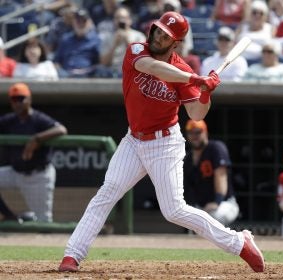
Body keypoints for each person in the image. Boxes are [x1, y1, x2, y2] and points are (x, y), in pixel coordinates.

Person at [58, 11, 265, 273]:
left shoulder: (184, 70)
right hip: (134, 140)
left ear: (175, 43)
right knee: (107, 193)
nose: (158, 37)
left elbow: (197, 114)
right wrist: (194, 79)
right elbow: (152, 67)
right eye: (157, 30)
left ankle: (239, 241)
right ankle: (72, 255)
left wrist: (205, 93)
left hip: (165, 144)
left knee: (174, 210)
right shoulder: (137, 50)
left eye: (165, 36)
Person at [0, 83, 68, 223]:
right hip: (15, 173)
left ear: (29, 99)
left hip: (38, 176)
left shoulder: (38, 118)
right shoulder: (10, 120)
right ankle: (9, 216)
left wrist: (37, 139)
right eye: (14, 99)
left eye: (21, 98)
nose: (17, 102)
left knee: (44, 223)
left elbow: (61, 130)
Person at [183, 120, 240, 226]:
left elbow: (221, 175)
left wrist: (217, 202)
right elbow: (187, 187)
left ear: (205, 132)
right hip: (200, 207)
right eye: (191, 132)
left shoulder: (215, 148)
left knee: (213, 218)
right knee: (191, 221)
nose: (194, 136)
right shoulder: (187, 159)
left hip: (224, 203)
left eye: (198, 132)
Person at [99, 6, 146, 78]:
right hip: (112, 73)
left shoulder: (139, 36)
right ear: (114, 20)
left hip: (132, 73)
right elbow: (104, 63)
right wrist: (114, 45)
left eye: (124, 18)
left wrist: (128, 42)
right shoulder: (108, 37)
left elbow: (141, 59)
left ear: (130, 20)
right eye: (117, 18)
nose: (121, 21)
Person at [53, 8, 101, 78]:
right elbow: (57, 61)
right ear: (73, 22)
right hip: (66, 76)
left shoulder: (95, 40)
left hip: (87, 76)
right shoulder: (65, 39)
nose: (80, 23)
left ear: (89, 23)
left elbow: (101, 63)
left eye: (83, 21)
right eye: (78, 21)